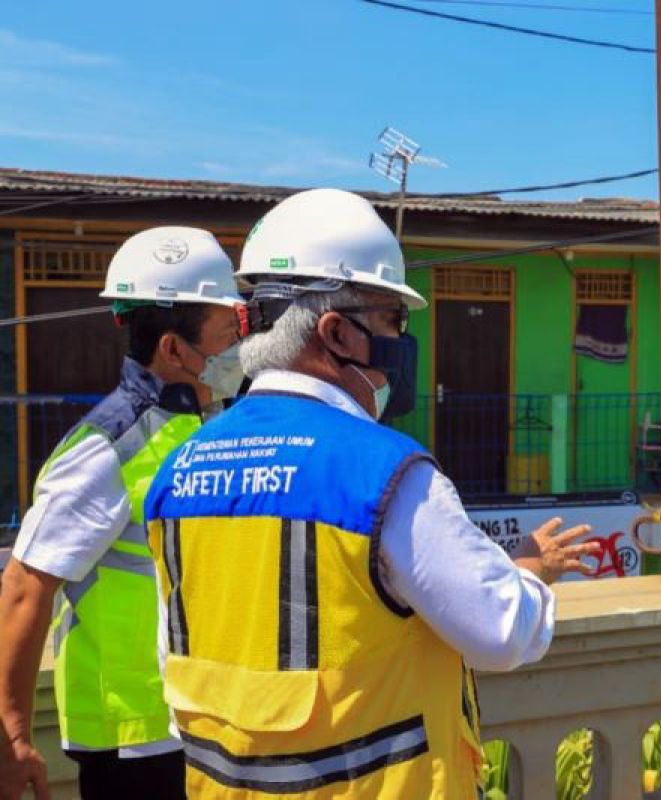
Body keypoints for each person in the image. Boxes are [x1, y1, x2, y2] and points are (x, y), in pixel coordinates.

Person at [142, 188, 599, 799]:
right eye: (393, 321)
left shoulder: (178, 471)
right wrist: (534, 575)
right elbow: (500, 631)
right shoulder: (385, 472)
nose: (403, 344)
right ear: (337, 333)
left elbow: (175, 662)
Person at [0, 227, 245, 800]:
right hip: (134, 740)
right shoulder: (108, 447)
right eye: (225, 332)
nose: (238, 344)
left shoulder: (208, 427)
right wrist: (11, 738)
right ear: (174, 349)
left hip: (200, 722)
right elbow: (23, 589)